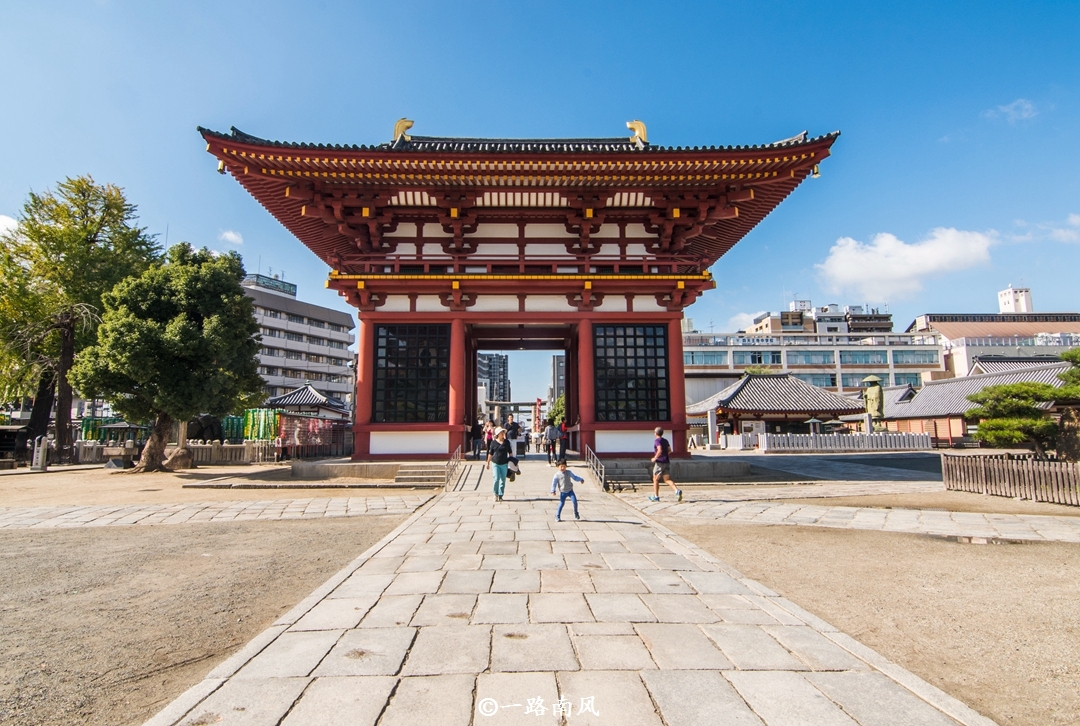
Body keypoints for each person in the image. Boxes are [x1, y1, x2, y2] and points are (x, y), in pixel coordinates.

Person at [648, 426, 681, 502]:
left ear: (656, 433)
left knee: (655, 479)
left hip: (660, 462)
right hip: (666, 461)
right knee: (667, 479)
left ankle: (656, 496)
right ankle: (676, 491)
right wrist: (665, 454)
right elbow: (669, 450)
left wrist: (655, 457)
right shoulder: (665, 440)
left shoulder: (657, 441)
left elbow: (659, 449)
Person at [486, 427, 513, 502]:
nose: (503, 434)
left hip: (504, 463)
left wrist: (513, 462)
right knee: (496, 478)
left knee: (502, 480)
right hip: (495, 463)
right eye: (501, 432)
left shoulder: (506, 442)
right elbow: (490, 453)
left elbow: (510, 452)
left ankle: (501, 495)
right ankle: (495, 494)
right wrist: (488, 462)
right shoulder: (493, 443)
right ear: (498, 434)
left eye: (503, 432)